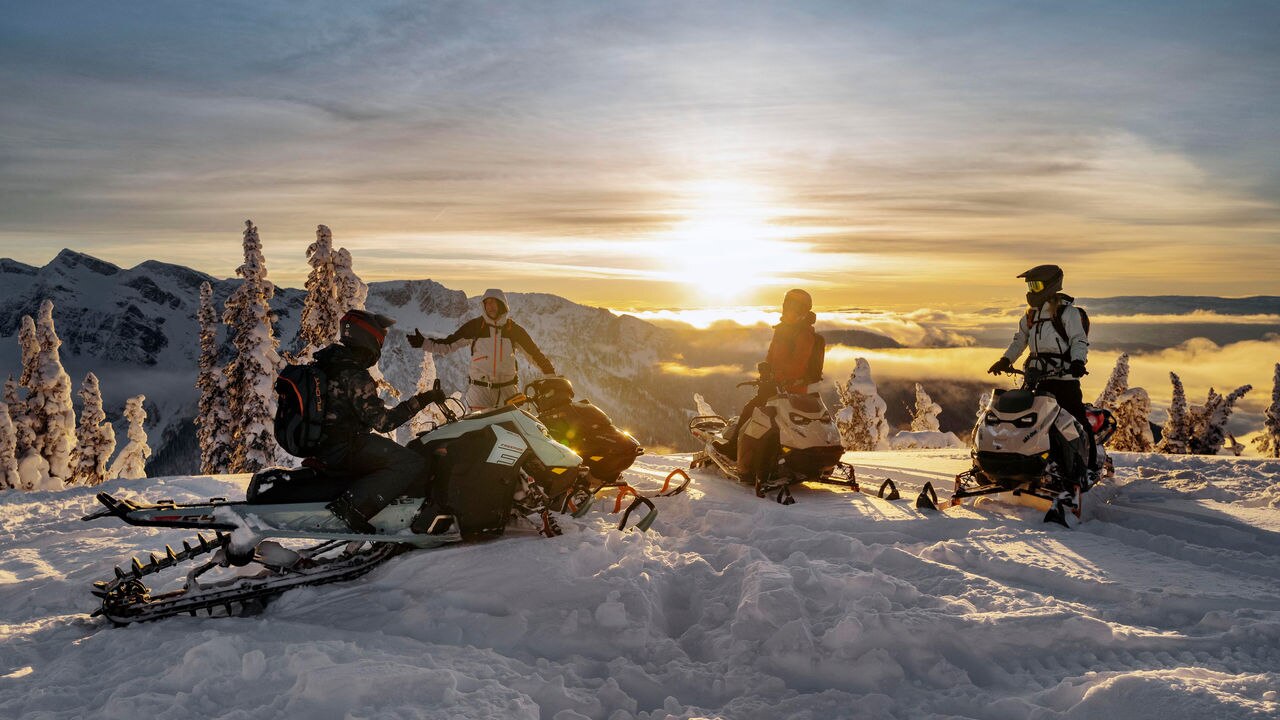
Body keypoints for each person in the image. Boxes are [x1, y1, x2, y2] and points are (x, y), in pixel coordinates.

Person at [316, 310, 446, 532]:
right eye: (379, 338)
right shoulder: (353, 372)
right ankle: (353, 507)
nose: (381, 343)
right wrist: (420, 402)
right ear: (367, 337)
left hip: (327, 443)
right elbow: (383, 422)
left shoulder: (330, 363)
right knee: (411, 461)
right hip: (345, 446)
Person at [988, 264, 1096, 479]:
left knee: (1076, 418)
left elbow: (1078, 339)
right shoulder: (1031, 315)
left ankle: (1090, 464)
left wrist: (1077, 362)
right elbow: (1020, 340)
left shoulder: (1067, 313)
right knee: (1033, 422)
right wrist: (1005, 360)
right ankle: (1031, 463)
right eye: (1029, 285)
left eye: (1035, 285)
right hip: (1038, 377)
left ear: (1050, 286)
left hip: (1064, 377)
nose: (1031, 290)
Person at [716, 288, 826, 459]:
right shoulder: (784, 329)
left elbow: (798, 365)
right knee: (762, 419)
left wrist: (775, 376)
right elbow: (772, 356)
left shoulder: (803, 334)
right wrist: (766, 370)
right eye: (787, 304)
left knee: (750, 411)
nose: (789, 309)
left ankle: (733, 450)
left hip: (789, 390)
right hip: (776, 386)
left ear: (803, 309)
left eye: (794, 305)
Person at [408, 289, 555, 411]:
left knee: (511, 432)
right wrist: (424, 343)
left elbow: (534, 354)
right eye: (487, 303)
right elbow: (448, 344)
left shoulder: (513, 330)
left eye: (494, 302)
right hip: (480, 391)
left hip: (508, 391)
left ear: (502, 305)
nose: (490, 306)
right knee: (477, 434)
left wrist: (552, 377)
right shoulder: (476, 327)